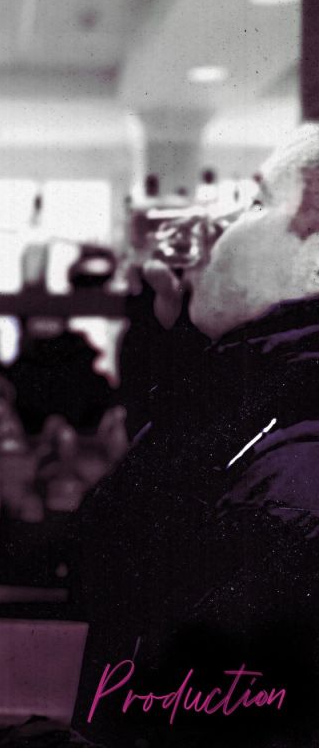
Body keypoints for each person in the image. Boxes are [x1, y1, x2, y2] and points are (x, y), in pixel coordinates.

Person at [70, 122, 319, 747]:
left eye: (256, 202)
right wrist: (179, 349)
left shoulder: (294, 477)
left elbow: (186, 713)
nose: (218, 226)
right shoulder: (265, 409)